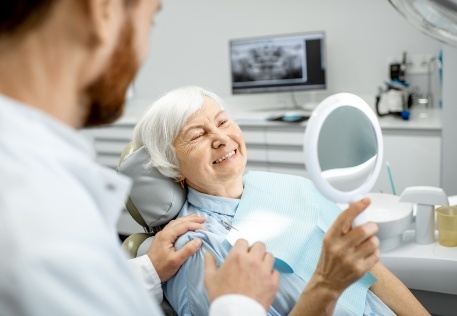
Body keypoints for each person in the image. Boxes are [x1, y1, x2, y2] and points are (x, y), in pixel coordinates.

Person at [0, 1, 278, 315]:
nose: (144, 49)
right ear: (103, 11)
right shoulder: (35, 216)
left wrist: (149, 270)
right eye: (151, 19)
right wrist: (238, 305)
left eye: (223, 121)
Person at [132, 85, 430, 316]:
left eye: (223, 121)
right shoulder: (196, 248)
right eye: (197, 135)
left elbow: (370, 270)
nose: (221, 137)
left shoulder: (286, 185)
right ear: (173, 165)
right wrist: (326, 284)